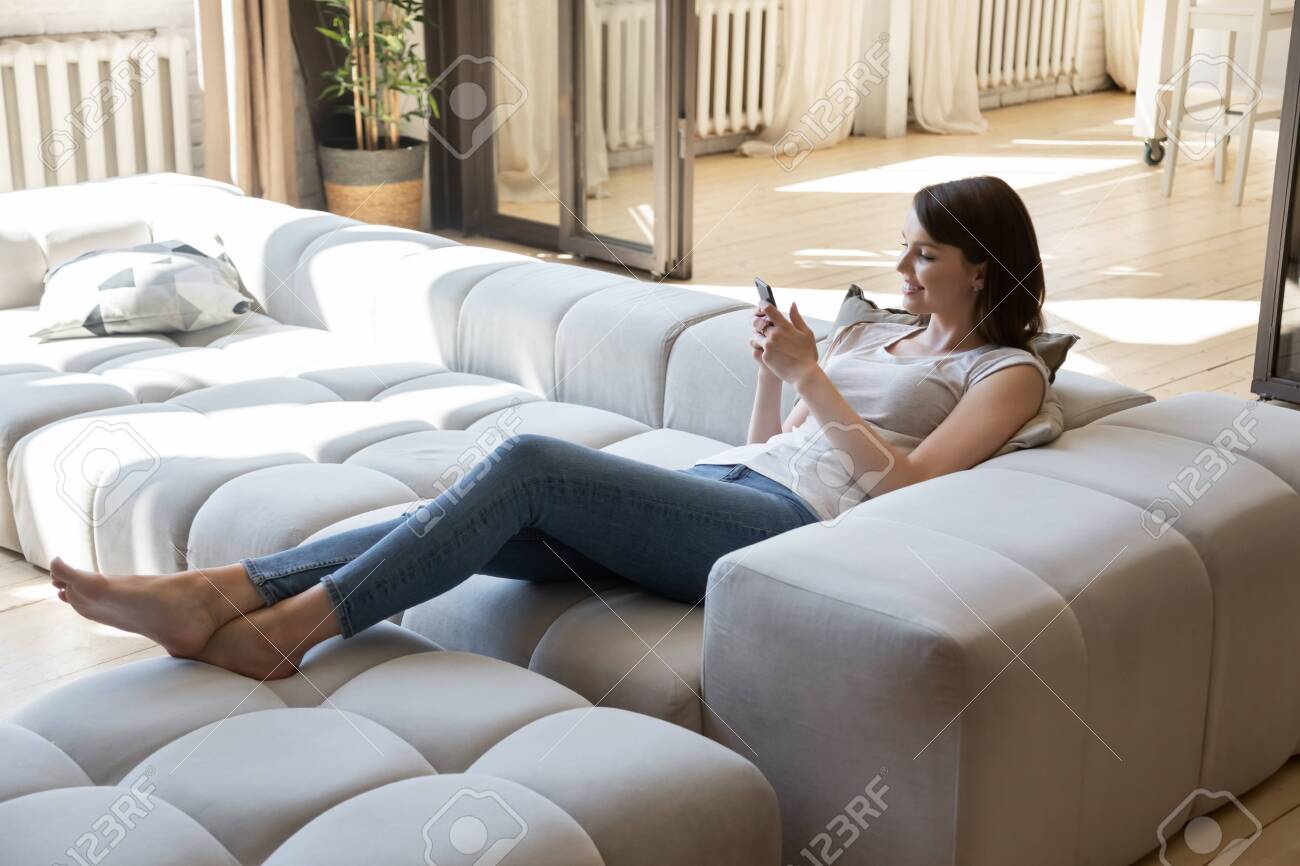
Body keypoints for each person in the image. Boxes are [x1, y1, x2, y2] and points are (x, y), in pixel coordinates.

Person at [51, 175, 1051, 680]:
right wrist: (776, 372)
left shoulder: (998, 371)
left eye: (926, 254)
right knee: (475, 512)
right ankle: (217, 589)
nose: (903, 266)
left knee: (525, 460)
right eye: (906, 250)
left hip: (789, 530)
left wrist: (813, 384)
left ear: (979, 265)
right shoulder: (876, 328)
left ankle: (288, 627)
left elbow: (911, 485)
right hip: (739, 482)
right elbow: (769, 438)